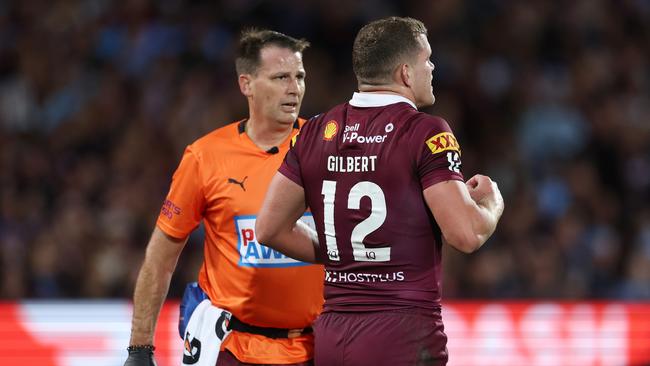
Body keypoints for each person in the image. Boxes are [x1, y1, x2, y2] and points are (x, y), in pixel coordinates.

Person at [256, 17, 504, 366]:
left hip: (333, 335)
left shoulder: (313, 132)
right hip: (404, 333)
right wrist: (492, 202)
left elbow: (268, 228)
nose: (432, 68)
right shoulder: (425, 132)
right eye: (426, 60)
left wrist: (347, 255)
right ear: (405, 73)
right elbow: (466, 233)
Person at [124, 29, 323, 366]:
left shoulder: (327, 148)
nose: (294, 88)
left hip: (316, 349)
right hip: (232, 350)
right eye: (280, 77)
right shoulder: (205, 157)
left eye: (299, 76)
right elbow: (161, 256)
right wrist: (140, 348)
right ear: (246, 84)